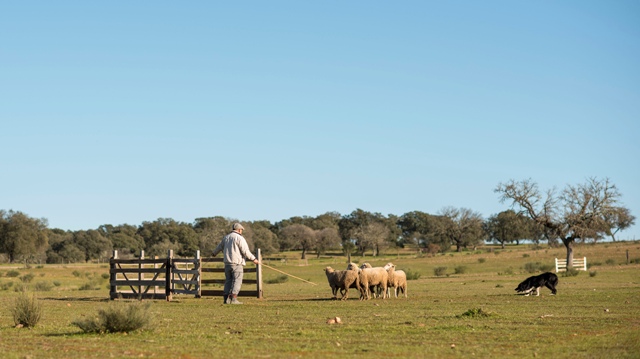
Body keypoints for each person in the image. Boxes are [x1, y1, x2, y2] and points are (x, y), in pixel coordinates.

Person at [212, 223, 259, 304]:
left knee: (228, 281)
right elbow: (245, 251)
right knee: (237, 281)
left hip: (227, 263)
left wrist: (213, 253)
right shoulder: (240, 238)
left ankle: (226, 298)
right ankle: (233, 299)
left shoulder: (226, 237)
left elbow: (219, 247)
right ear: (239, 230)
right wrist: (253, 259)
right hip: (237, 263)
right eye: (241, 230)